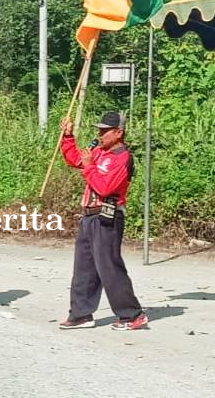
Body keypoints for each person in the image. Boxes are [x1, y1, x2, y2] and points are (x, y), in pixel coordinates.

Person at [57, 112, 147, 330]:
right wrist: (68, 136)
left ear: (119, 133)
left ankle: (131, 315)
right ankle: (81, 314)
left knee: (109, 267)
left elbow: (106, 187)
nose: (100, 134)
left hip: (108, 215)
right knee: (84, 268)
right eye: (100, 129)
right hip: (88, 215)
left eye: (105, 131)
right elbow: (75, 159)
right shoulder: (99, 151)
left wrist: (89, 167)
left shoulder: (123, 157)